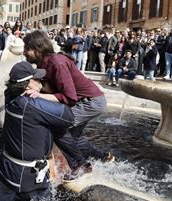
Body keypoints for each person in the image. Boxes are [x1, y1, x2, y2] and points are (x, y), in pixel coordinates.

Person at [23, 30, 114, 179]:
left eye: (27, 48)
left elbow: (70, 97)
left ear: (38, 49)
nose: (24, 52)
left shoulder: (57, 63)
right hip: (88, 100)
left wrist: (40, 95)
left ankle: (81, 166)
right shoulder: (45, 63)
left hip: (90, 102)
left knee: (58, 129)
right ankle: (104, 157)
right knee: (73, 139)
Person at [0, 61, 75, 201]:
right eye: (37, 79)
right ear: (27, 85)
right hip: (29, 179)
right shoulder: (31, 105)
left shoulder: (10, 96)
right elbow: (69, 118)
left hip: (10, 171)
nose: (41, 82)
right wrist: (43, 97)